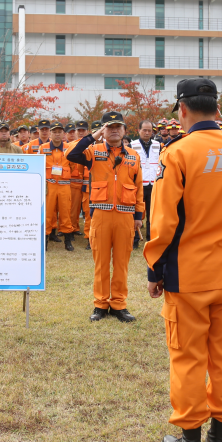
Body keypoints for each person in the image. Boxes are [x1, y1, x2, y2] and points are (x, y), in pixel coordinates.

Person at [145, 78, 222, 442]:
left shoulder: (177, 153)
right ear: (217, 107)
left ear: (182, 109)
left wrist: (154, 268)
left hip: (189, 275)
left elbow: (163, 218)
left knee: (188, 358)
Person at [67, 111, 144, 323]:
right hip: (100, 214)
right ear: (103, 130)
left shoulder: (133, 156)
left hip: (125, 216)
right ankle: (100, 304)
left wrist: (138, 215)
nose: (114, 130)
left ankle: (119, 304)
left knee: (121, 262)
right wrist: (93, 137)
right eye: (109, 127)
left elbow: (138, 188)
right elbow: (71, 155)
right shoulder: (93, 151)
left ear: (125, 131)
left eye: (118, 127)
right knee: (101, 262)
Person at [42, 122, 75, 251]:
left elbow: (73, 166)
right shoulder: (42, 148)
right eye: (54, 132)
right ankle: (45, 241)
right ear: (50, 133)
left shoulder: (69, 148)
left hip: (64, 186)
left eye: (59, 132)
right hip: (49, 186)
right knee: (48, 214)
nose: (57, 134)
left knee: (66, 213)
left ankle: (68, 241)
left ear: (63, 134)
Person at [131, 119, 161, 250]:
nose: (147, 133)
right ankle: (135, 239)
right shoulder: (132, 145)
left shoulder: (158, 145)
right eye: (144, 130)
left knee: (152, 214)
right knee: (135, 213)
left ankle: (150, 238)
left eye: (150, 130)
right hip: (137, 185)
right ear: (139, 130)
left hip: (153, 185)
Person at [68, 121, 90, 240]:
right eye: (79, 130)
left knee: (88, 210)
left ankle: (88, 235)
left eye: (83, 130)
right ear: (75, 132)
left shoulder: (92, 145)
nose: (81, 133)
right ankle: (72, 229)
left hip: (88, 183)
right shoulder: (70, 146)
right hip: (74, 182)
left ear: (87, 132)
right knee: (72, 208)